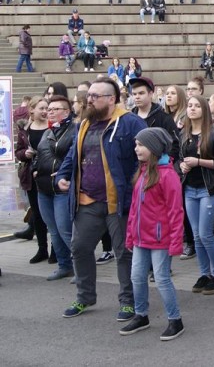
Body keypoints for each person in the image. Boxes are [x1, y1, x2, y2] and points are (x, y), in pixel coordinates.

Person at [56, 78, 148, 320]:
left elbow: (150, 153)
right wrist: (63, 176)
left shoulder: (130, 122)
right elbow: (73, 155)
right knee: (80, 247)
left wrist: (140, 188)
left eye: (95, 96)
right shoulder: (84, 123)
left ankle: (129, 302)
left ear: (111, 99)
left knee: (124, 253)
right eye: (89, 95)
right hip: (87, 200)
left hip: (119, 203)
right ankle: (85, 298)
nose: (89, 99)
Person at [120, 127, 185, 341]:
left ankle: (175, 320)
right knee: (136, 277)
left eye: (141, 145)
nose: (136, 149)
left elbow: (176, 212)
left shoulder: (168, 175)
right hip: (141, 239)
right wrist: (130, 235)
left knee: (162, 279)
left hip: (160, 239)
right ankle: (141, 315)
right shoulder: (143, 171)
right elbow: (134, 210)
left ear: (154, 148)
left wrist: (176, 242)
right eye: (136, 144)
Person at [179, 95, 214, 295]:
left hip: (208, 188)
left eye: (196, 106)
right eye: (190, 106)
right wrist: (182, 165)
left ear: (204, 109)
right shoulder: (184, 132)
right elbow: (180, 157)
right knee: (197, 235)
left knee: (206, 234)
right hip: (190, 188)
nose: (192, 109)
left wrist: (199, 162)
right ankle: (204, 273)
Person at [34, 95, 76, 280]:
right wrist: (35, 168)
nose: (49, 112)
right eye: (48, 109)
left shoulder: (75, 130)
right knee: (53, 230)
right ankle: (64, 265)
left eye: (54, 109)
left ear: (66, 111)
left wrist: (63, 172)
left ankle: (82, 267)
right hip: (43, 188)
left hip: (62, 189)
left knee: (65, 229)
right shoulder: (47, 132)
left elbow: (76, 156)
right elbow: (39, 154)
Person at [15, 97, 51, 262]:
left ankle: (57, 251)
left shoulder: (52, 127)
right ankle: (42, 249)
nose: (45, 111)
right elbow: (19, 152)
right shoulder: (25, 129)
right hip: (31, 176)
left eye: (46, 108)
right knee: (37, 214)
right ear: (32, 110)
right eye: (41, 108)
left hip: (48, 175)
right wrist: (25, 154)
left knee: (51, 215)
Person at [128, 77, 180, 163]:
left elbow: (175, 145)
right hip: (133, 170)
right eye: (134, 94)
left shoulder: (164, 118)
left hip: (157, 170)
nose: (137, 97)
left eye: (141, 93)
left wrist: (162, 163)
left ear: (150, 94)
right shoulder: (128, 119)